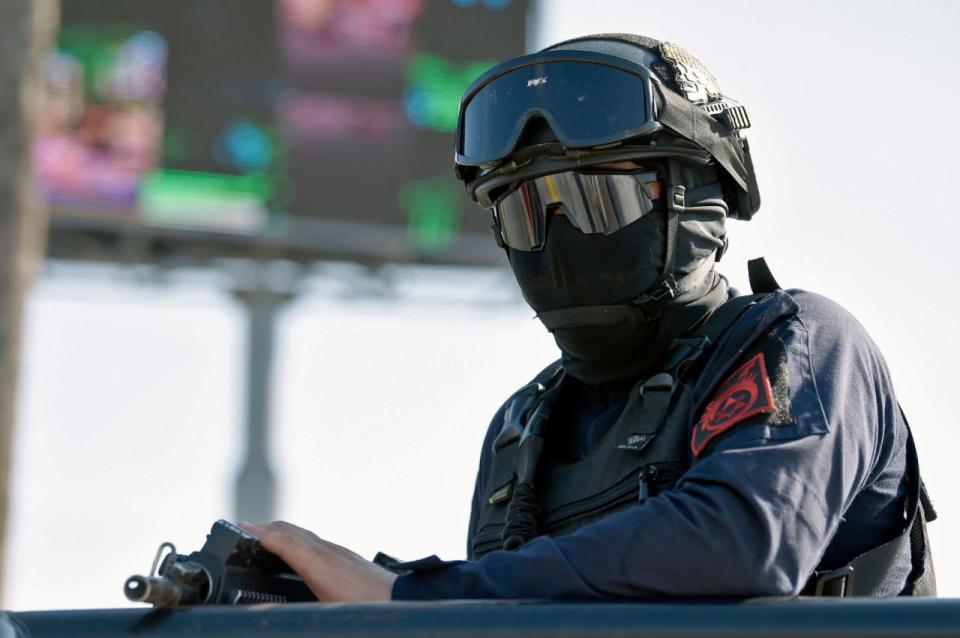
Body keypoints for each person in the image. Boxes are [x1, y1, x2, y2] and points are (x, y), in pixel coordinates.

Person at [239, 33, 936, 600]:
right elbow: (504, 614)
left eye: (600, 200)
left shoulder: (800, 342)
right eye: (523, 209)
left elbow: (738, 543)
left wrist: (404, 597)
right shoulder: (523, 427)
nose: (559, 238)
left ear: (697, 199)